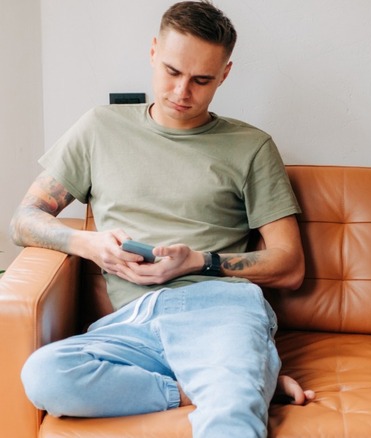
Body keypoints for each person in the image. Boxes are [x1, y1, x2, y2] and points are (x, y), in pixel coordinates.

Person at [11, 1, 313, 436]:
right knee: (44, 376)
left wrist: (199, 261)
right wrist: (87, 244)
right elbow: (24, 219)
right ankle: (222, 385)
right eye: (172, 71)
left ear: (225, 74)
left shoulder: (252, 147)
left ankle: (234, 386)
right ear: (154, 52)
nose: (181, 92)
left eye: (202, 79)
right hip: (134, 322)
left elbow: (290, 265)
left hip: (221, 311)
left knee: (229, 417)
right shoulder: (99, 128)